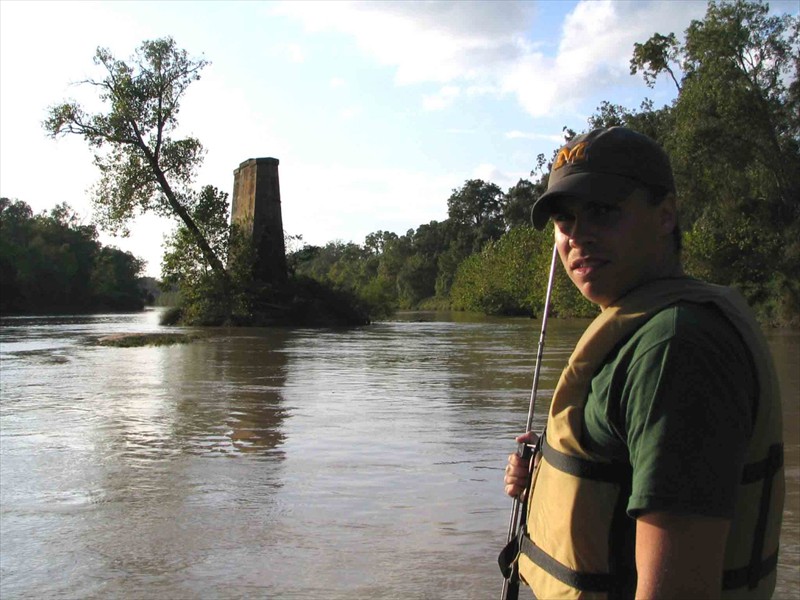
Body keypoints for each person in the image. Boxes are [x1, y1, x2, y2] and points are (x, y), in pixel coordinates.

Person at [502, 127, 784, 599]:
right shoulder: (644, 333)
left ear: (665, 215)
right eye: (564, 219)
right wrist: (553, 479)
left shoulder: (675, 348)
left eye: (602, 210)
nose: (577, 235)